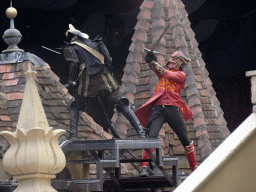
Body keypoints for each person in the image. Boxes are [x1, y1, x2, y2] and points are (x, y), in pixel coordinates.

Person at [62, 24, 145, 139]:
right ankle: (140, 131)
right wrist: (107, 75)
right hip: (105, 78)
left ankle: (73, 136)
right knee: (121, 102)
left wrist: (72, 81)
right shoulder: (97, 43)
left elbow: (74, 64)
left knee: (75, 105)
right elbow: (109, 59)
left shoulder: (70, 47)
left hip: (87, 80)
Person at [134, 51, 197, 176]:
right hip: (158, 109)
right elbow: (159, 71)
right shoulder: (164, 75)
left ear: (181, 63)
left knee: (185, 138)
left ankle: (194, 168)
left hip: (173, 108)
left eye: (176, 59)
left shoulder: (181, 75)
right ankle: (143, 168)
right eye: (172, 59)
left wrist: (152, 62)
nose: (173, 61)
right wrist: (152, 60)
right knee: (151, 137)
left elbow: (164, 72)